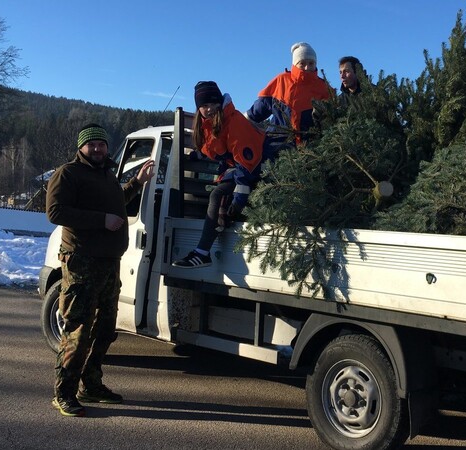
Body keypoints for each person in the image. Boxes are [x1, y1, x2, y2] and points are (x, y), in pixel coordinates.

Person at [46, 123, 155, 417]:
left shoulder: (107, 174)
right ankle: (64, 393)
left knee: (105, 330)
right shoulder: (68, 174)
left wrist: (137, 183)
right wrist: (101, 220)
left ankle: (91, 385)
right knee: (78, 330)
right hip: (82, 262)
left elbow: (118, 202)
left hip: (109, 264)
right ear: (81, 148)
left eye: (101, 144)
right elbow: (55, 212)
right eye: (91, 144)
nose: (97, 149)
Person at [172, 81, 268, 268]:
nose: (209, 109)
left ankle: (202, 252)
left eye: (212, 104)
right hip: (240, 168)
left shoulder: (233, 121)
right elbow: (216, 149)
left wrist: (239, 199)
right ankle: (203, 250)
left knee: (218, 194)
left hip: (260, 166)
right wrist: (195, 155)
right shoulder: (209, 125)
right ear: (198, 108)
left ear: (219, 103)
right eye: (204, 106)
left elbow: (245, 161)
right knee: (220, 194)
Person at [245, 42, 332, 145]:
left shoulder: (323, 88)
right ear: (295, 64)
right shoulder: (281, 81)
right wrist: (242, 120)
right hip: (277, 148)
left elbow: (333, 118)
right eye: (302, 63)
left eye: (311, 63)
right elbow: (259, 109)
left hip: (312, 150)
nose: (307, 67)